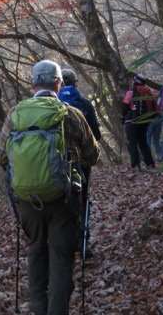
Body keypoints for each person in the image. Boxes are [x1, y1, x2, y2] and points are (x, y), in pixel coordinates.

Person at [0, 60, 100, 315]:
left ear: (32, 84)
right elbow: (93, 156)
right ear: (58, 83)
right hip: (63, 200)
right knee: (62, 260)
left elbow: (0, 156)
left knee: (35, 253)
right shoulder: (70, 114)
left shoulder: (15, 114)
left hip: (28, 201)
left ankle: (39, 310)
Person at [58, 68, 101, 260]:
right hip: (80, 163)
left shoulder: (51, 106)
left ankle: (62, 244)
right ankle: (83, 244)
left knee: (58, 203)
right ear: (75, 83)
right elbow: (96, 136)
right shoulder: (83, 105)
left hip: (54, 164)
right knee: (81, 201)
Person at [121, 73, 156, 171]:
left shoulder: (131, 92)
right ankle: (150, 164)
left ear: (135, 81)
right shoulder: (148, 92)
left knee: (132, 144)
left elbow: (125, 106)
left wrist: (123, 116)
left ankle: (135, 166)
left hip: (131, 122)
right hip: (144, 122)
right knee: (143, 143)